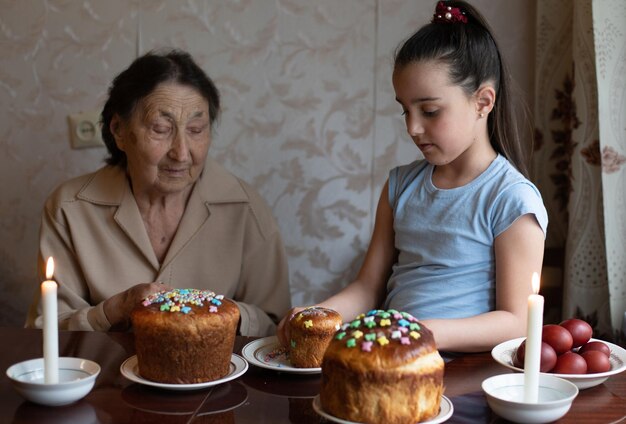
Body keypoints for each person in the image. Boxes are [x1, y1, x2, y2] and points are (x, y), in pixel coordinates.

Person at [278, 1, 548, 352]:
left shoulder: (510, 199)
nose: (413, 127)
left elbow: (515, 321)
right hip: (392, 358)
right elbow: (367, 288)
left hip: (466, 374)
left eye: (430, 111)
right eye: (405, 110)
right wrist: (320, 313)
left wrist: (417, 329)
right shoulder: (400, 186)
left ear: (483, 102)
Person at [26, 49, 291, 336]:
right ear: (118, 130)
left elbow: (277, 327)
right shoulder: (70, 208)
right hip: (106, 377)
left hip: (216, 379)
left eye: (196, 129)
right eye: (161, 129)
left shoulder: (245, 208)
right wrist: (113, 310)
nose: (181, 153)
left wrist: (220, 311)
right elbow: (43, 331)